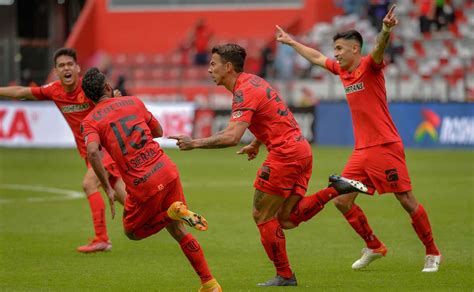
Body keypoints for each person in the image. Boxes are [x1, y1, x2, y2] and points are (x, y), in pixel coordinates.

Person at [169, 43, 368, 286]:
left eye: (213, 64)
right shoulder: (254, 81)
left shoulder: (244, 91)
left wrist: (195, 143)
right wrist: (257, 142)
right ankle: (335, 189)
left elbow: (231, 136)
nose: (209, 69)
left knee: (261, 215)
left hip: (285, 155)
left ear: (228, 67)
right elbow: (273, 116)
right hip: (301, 150)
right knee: (287, 218)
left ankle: (284, 275)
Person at [276, 4, 442, 272]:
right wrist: (291, 42)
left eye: (340, 49)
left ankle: (432, 252)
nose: (336, 54)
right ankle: (374, 246)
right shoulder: (342, 71)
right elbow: (317, 58)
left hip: (385, 146)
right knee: (342, 201)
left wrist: (386, 29)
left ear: (355, 49)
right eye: (335, 49)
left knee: (406, 200)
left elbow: (378, 49)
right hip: (361, 151)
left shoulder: (369, 66)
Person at [80, 67, 221, 292]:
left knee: (132, 232)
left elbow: (92, 151)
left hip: (143, 183)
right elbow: (158, 131)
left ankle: (170, 213)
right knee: (178, 231)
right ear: (108, 87)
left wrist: (107, 187)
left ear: (88, 98)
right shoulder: (133, 102)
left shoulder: (89, 121)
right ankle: (210, 283)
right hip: (166, 169)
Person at [0, 48, 127, 253]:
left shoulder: (89, 89)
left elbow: (111, 100)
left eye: (69, 64)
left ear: (77, 68)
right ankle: (163, 218)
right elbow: (21, 92)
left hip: (104, 148)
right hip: (89, 152)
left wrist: (115, 96)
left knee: (88, 184)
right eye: (62, 65)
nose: (66, 68)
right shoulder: (54, 90)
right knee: (124, 198)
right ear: (56, 71)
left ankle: (102, 239)